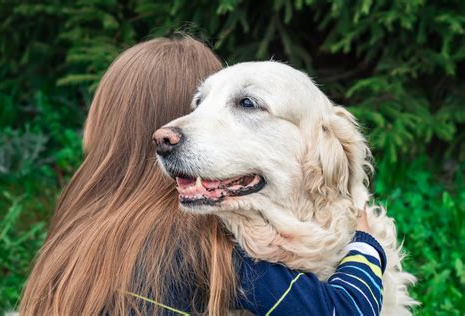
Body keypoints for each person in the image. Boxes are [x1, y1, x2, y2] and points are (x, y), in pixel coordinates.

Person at [20, 36, 385, 316]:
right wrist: (367, 245)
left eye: (246, 103)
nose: (172, 133)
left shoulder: (81, 222)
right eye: (198, 102)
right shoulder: (207, 255)